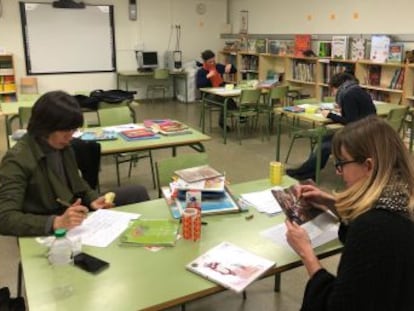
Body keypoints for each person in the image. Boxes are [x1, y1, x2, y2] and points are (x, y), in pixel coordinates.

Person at [285, 115, 414, 310]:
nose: (339, 172)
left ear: (368, 166)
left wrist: (306, 253)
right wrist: (331, 202)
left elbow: (339, 306)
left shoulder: (371, 229)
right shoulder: (402, 199)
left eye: (342, 164)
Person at [0, 91, 150, 237]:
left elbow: (78, 183)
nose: (70, 136)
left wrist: (92, 199)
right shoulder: (17, 160)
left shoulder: (63, 147)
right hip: (48, 222)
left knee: (137, 192)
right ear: (44, 127)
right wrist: (56, 222)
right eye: (65, 130)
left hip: (73, 213)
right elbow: (5, 218)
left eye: (73, 130)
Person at [286, 72, 376, 180]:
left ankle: (304, 172)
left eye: (332, 90)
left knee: (324, 146)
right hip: (368, 132)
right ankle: (308, 171)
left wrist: (330, 115)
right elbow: (358, 113)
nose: (333, 94)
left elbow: (350, 121)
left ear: (337, 87)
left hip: (359, 136)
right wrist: (343, 110)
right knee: (324, 139)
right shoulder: (358, 90)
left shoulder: (347, 95)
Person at [196, 49, 237, 129]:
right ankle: (236, 113)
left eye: (213, 61)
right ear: (205, 62)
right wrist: (208, 76)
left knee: (225, 99)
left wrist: (231, 66)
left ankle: (231, 116)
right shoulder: (201, 72)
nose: (212, 63)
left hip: (221, 92)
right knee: (225, 100)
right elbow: (199, 85)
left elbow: (233, 71)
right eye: (210, 62)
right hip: (208, 96)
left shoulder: (217, 67)